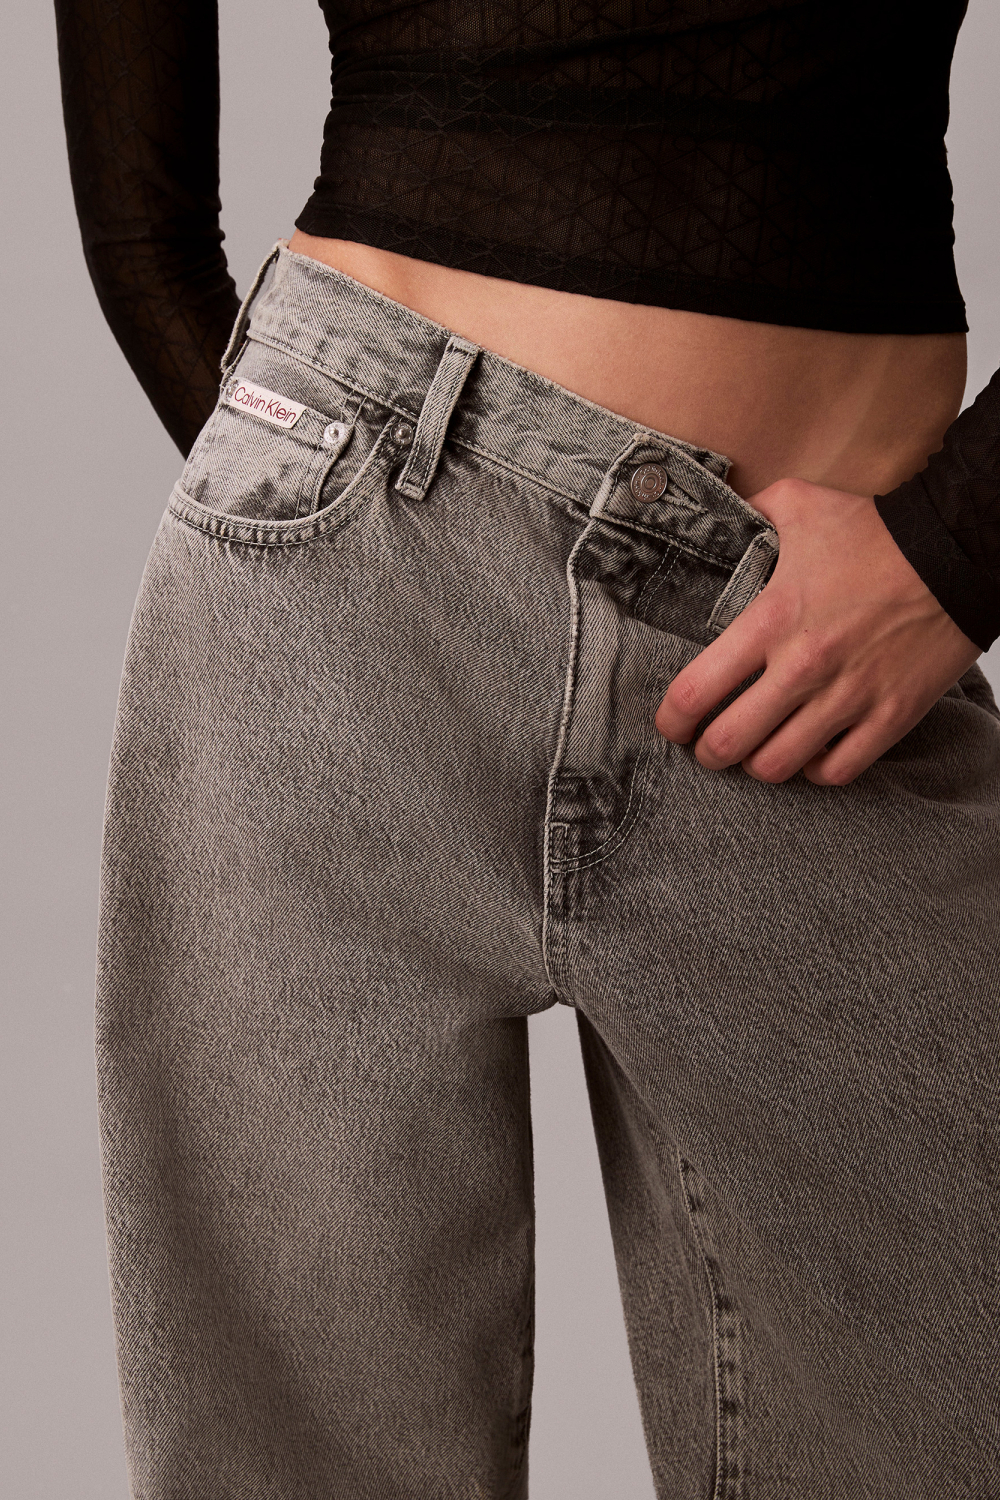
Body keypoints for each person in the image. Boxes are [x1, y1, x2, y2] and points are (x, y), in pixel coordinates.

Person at [55, 1, 1000, 1495]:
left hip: (813, 657)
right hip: (341, 606)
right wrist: (317, 500)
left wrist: (959, 548)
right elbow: (140, 224)